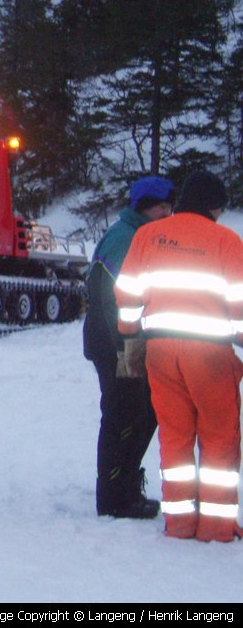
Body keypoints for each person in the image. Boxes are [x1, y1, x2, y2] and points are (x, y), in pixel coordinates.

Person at [116, 170, 243, 542]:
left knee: (174, 436)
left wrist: (130, 333)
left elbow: (126, 293)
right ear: (214, 206)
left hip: (159, 350)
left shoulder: (148, 235)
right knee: (219, 439)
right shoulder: (226, 240)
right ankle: (217, 527)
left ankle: (180, 523)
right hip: (209, 355)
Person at [84, 176, 175, 518]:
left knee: (139, 413)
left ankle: (121, 489)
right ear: (143, 207)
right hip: (116, 342)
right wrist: (129, 353)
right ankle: (115, 497)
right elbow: (115, 302)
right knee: (126, 414)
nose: (166, 213)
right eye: (160, 207)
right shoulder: (128, 239)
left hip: (117, 340)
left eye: (169, 206)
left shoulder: (140, 235)